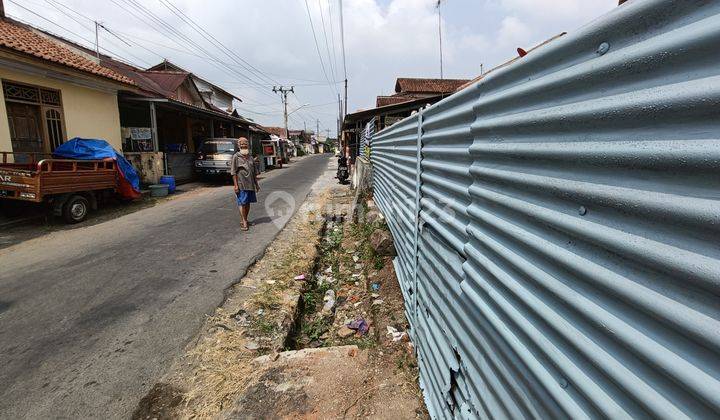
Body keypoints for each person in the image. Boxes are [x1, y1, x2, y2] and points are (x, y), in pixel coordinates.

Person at [231, 137, 260, 230]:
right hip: (241, 184)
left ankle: (245, 219)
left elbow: (254, 172)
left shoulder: (251, 157)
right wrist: (235, 185)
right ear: (239, 146)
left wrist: (257, 184)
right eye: (242, 144)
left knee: (247, 203)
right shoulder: (236, 156)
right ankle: (244, 221)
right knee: (243, 203)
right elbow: (233, 172)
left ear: (248, 145)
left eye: (245, 144)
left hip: (250, 184)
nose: (244, 145)